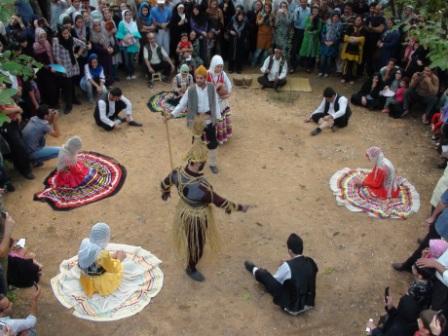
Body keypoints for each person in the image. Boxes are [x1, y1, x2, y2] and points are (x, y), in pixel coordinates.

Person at [161, 117, 251, 281]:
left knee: (191, 238)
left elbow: (164, 184)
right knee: (197, 243)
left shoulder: (176, 173)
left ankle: (191, 262)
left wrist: (165, 193)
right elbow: (221, 202)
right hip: (196, 218)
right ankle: (191, 267)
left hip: (183, 210)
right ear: (199, 163)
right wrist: (238, 207)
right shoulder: (202, 187)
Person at [244, 233, 318, 315]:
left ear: (290, 251)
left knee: (266, 276)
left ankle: (254, 269)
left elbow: (275, 280)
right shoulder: (311, 262)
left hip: (293, 307)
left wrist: (282, 266)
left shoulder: (287, 266)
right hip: (309, 302)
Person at [169, 65, 221, 173]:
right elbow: (182, 103)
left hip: (209, 119)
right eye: (197, 78)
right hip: (196, 121)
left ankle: (212, 164)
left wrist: (218, 117)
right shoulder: (191, 90)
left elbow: (216, 102)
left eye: (201, 78)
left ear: (205, 78)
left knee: (213, 143)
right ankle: (192, 165)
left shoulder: (211, 88)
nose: (199, 80)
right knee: (195, 143)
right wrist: (172, 114)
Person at [78, 222, 125, 297]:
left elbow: (91, 259)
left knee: (103, 260)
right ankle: (117, 257)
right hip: (99, 283)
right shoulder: (103, 254)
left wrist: (109, 257)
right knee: (117, 270)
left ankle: (111, 257)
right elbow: (112, 269)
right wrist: (119, 259)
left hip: (86, 279)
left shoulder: (85, 242)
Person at [52, 25, 86, 114]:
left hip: (73, 65)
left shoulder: (72, 39)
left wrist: (78, 54)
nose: (66, 35)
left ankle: (74, 99)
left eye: (67, 33)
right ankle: (68, 104)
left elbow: (83, 44)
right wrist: (62, 67)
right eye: (64, 33)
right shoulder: (57, 41)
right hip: (64, 66)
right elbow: (56, 56)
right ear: (61, 34)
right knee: (67, 86)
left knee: (72, 83)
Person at [207, 55, 233, 145]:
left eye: (221, 66)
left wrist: (227, 94)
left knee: (221, 119)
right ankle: (211, 138)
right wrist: (216, 87)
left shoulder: (223, 74)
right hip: (211, 102)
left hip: (221, 102)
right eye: (218, 66)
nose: (220, 68)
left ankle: (220, 137)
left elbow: (229, 84)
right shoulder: (208, 74)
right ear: (213, 65)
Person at [116, 9, 141, 80]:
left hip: (133, 44)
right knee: (126, 61)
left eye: (130, 15)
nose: (128, 16)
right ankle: (128, 73)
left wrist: (131, 37)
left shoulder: (134, 23)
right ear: (124, 16)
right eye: (127, 15)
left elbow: (136, 33)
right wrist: (125, 40)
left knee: (132, 60)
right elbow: (119, 34)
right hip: (125, 44)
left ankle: (132, 73)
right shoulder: (121, 23)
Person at [298, 5, 321, 72]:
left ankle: (310, 67)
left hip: (314, 39)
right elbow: (306, 27)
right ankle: (305, 66)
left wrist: (314, 32)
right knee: (305, 52)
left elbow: (319, 29)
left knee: (312, 53)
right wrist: (311, 22)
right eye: (313, 11)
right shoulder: (308, 18)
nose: (315, 12)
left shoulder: (319, 20)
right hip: (307, 38)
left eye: (316, 11)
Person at [290, 0, 310, 72]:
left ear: (307, 2)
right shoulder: (296, 10)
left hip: (306, 32)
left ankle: (306, 66)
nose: (303, 3)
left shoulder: (309, 10)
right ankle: (293, 67)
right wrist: (297, 17)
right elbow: (295, 22)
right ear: (300, 3)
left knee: (305, 49)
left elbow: (310, 21)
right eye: (302, 2)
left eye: (305, 2)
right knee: (294, 50)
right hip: (297, 31)